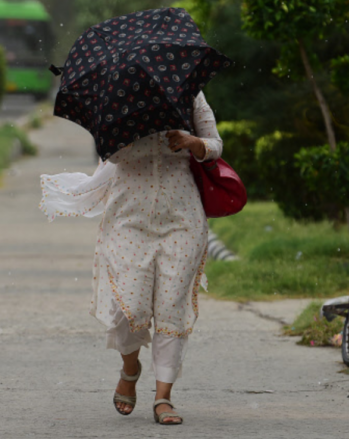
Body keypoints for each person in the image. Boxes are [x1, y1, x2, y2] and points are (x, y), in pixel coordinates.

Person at [39, 90, 222, 425]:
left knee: (172, 306)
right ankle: (130, 367)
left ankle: (163, 397)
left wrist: (192, 142)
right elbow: (111, 157)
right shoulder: (116, 95)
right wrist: (130, 130)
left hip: (182, 216)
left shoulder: (189, 93)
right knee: (131, 306)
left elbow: (215, 145)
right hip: (128, 215)